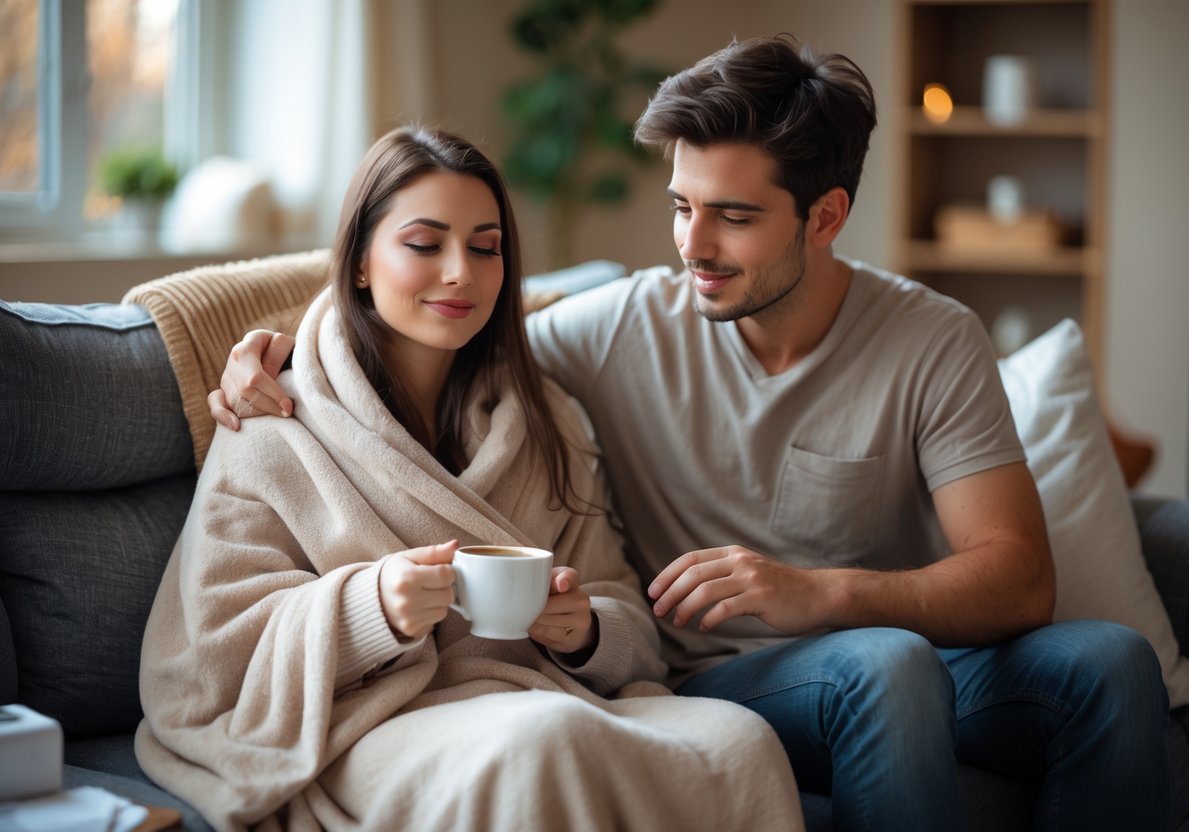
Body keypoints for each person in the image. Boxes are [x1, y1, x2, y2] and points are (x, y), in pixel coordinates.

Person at [210, 38, 1171, 831]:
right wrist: (290, 342)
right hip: (720, 676)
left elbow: (1018, 579)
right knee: (885, 665)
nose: (692, 246)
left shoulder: (931, 339)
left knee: (1108, 663)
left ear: (825, 216)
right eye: (681, 206)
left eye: (734, 217)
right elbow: (452, 308)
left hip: (886, 646)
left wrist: (815, 592)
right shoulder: (612, 330)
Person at [138, 125, 804, 832]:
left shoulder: (546, 421)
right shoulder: (269, 419)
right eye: (424, 245)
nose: (460, 272)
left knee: (736, 739)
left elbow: (622, 610)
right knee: (541, 742)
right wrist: (371, 608)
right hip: (369, 720)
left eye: (485, 248)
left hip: (538, 692)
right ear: (360, 262)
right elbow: (213, 654)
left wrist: (582, 631)